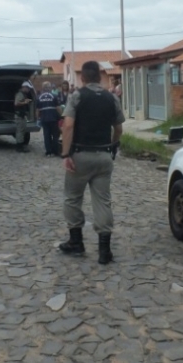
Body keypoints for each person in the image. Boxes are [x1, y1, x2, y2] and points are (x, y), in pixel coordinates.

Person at [59, 61, 125, 265]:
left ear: (83, 78)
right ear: (99, 76)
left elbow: (68, 125)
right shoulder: (112, 97)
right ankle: (104, 251)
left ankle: (76, 241)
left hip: (80, 154)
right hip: (104, 156)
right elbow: (119, 128)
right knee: (103, 201)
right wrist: (112, 146)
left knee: (72, 198)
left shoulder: (77, 96)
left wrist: (65, 154)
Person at [36, 82, 60, 157]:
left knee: (47, 135)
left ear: (43, 88)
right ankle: (55, 151)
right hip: (53, 118)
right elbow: (58, 108)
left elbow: (37, 110)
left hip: (44, 118)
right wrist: (62, 116)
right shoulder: (54, 96)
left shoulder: (39, 97)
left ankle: (48, 152)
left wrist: (37, 118)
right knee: (55, 135)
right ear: (49, 88)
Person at [13, 81, 34, 153]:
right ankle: (19, 147)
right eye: (27, 88)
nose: (28, 90)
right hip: (19, 116)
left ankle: (21, 145)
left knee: (22, 130)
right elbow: (16, 103)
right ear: (24, 87)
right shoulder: (20, 94)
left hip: (21, 115)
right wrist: (25, 102)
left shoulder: (23, 94)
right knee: (20, 131)